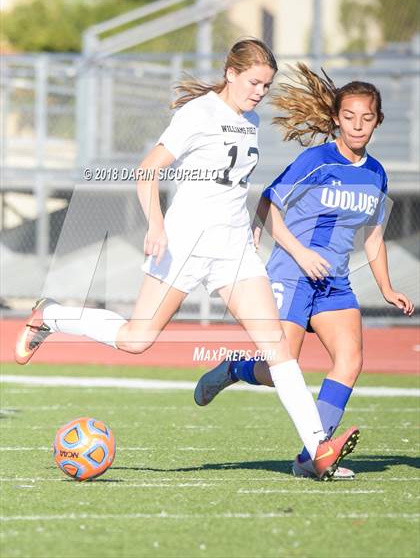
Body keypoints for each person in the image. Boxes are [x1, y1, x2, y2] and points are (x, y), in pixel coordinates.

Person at [15, 41, 359, 481]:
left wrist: (248, 224)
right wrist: (156, 224)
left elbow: (229, 185)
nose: (259, 92)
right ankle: (52, 316)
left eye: (266, 86)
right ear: (231, 73)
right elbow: (148, 169)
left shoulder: (249, 120)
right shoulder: (198, 113)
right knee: (137, 340)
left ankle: (317, 450)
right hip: (184, 245)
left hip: (233, 251)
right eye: (254, 82)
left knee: (276, 348)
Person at [194, 62, 414, 480]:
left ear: (378, 121)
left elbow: (372, 238)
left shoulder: (376, 173)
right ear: (336, 119)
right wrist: (299, 252)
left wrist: (386, 287)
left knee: (349, 361)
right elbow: (266, 205)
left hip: (334, 283)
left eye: (367, 118)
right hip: (292, 273)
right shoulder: (316, 160)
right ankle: (234, 369)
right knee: (283, 368)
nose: (357, 125)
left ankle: (311, 457)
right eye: (349, 117)